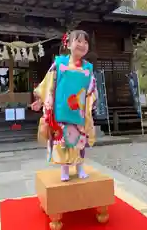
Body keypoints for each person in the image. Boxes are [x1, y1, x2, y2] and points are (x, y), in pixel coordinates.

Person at [31, 30, 98, 181]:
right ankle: (65, 169)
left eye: (86, 42)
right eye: (78, 41)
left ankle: (80, 168)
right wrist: (41, 100)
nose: (82, 45)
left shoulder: (88, 68)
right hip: (61, 109)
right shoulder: (59, 63)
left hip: (79, 110)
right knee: (62, 140)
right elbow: (49, 83)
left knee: (79, 141)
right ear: (68, 44)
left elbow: (92, 88)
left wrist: (91, 102)